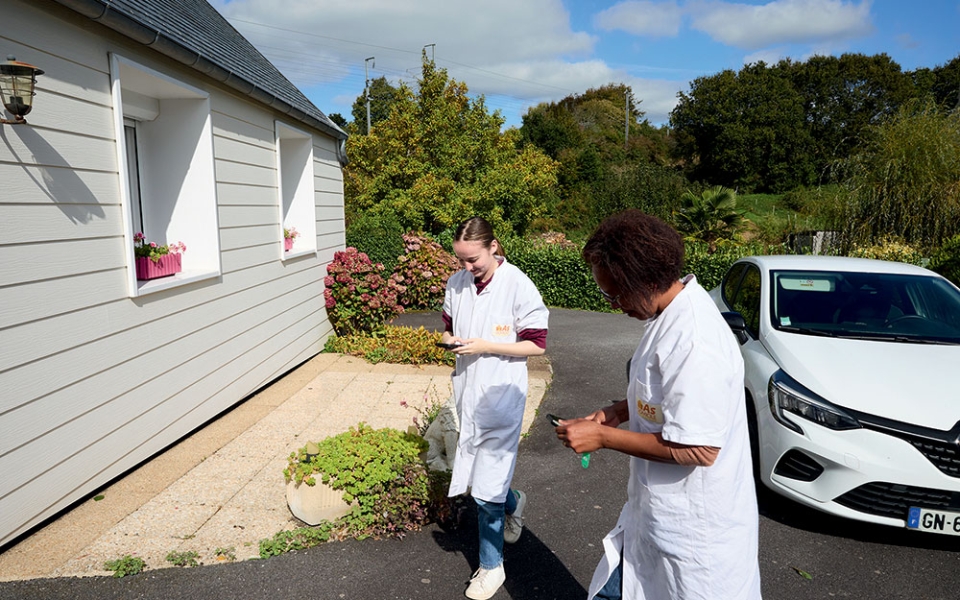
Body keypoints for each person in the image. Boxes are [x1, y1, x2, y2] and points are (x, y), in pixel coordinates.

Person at [555, 209, 761, 600]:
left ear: (645, 279)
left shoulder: (695, 341)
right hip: (655, 521)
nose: (615, 306)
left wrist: (603, 437)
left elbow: (699, 448)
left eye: (615, 294)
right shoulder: (668, 314)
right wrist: (617, 413)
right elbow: (664, 393)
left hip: (696, 538)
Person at [441, 216, 549, 600]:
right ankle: (514, 501)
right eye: (461, 260)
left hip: (502, 397)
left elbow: (537, 344)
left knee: (485, 492)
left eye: (474, 260)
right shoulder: (457, 283)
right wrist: (450, 340)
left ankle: (491, 567)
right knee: (478, 478)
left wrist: (486, 346)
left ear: (494, 246)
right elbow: (448, 325)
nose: (467, 268)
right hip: (468, 392)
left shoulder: (517, 284)